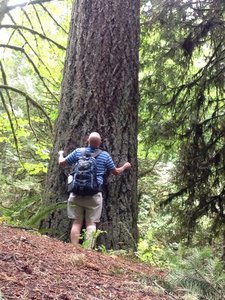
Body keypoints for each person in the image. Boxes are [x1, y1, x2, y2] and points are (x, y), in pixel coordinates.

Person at [58, 132, 131, 248]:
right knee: (91, 224)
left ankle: (74, 248)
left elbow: (61, 163)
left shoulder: (78, 152)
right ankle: (87, 250)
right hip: (94, 195)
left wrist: (61, 154)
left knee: (76, 222)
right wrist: (125, 166)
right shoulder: (105, 156)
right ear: (100, 142)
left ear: (87, 140)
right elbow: (116, 172)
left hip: (76, 193)